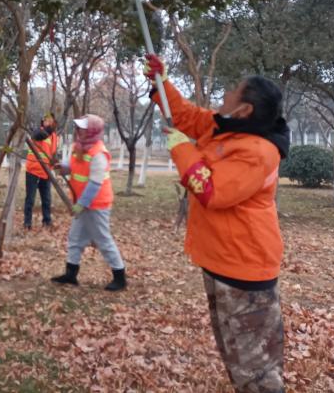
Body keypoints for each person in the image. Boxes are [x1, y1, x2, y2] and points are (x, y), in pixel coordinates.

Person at [144, 53, 289, 393]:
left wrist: (182, 150)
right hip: (221, 260)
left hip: (244, 268)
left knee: (256, 368)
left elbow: (211, 191)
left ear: (245, 109)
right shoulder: (226, 127)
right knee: (233, 351)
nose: (225, 94)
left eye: (233, 91)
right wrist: (161, 81)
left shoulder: (258, 151)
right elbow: (185, 115)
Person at [50, 114, 126, 291]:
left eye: (82, 128)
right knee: (75, 237)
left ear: (92, 131)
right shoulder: (79, 147)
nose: (78, 131)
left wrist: (81, 204)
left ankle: (120, 277)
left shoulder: (98, 153)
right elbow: (74, 167)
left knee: (103, 240)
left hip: (96, 204)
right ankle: (71, 274)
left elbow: (94, 184)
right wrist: (63, 168)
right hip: (82, 203)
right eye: (77, 127)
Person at [24, 113, 59, 229]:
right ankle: (27, 223)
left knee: (47, 199)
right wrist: (49, 129)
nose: (47, 122)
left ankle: (47, 222)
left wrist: (54, 164)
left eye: (49, 120)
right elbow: (40, 136)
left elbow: (52, 153)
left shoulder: (54, 137)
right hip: (33, 170)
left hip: (46, 172)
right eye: (45, 120)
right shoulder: (38, 131)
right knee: (30, 199)